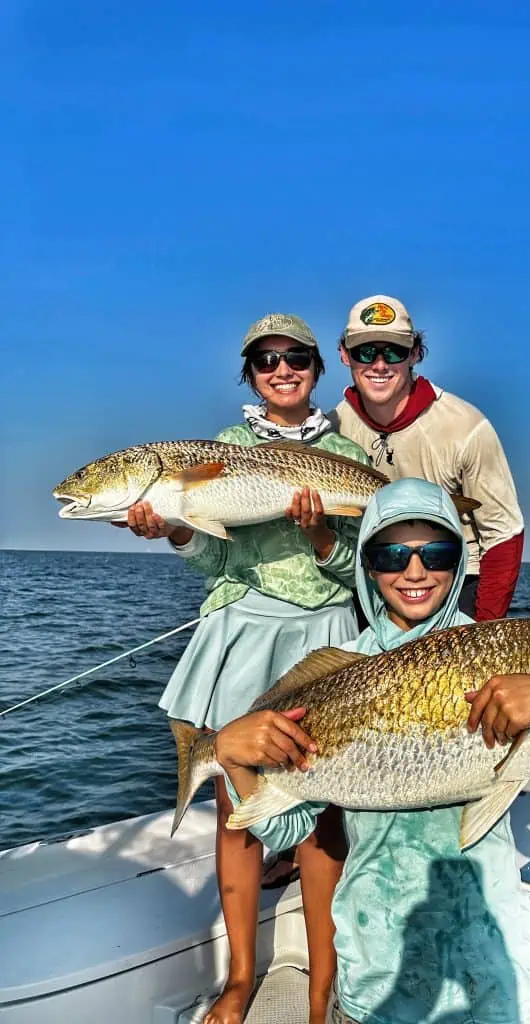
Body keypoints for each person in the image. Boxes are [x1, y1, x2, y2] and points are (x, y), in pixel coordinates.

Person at [215, 478, 530, 1024]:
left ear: (459, 561)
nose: (415, 572)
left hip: (491, 982)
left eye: (436, 553)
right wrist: (231, 758)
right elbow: (287, 832)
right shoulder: (345, 665)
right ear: (367, 564)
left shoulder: (513, 663)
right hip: (374, 976)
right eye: (392, 554)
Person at [112, 312, 370, 1024]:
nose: (281, 370)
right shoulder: (224, 447)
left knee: (323, 813)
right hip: (242, 632)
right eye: (265, 360)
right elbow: (217, 559)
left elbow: (356, 573)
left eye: (295, 358)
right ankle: (238, 979)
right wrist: (172, 529)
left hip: (322, 633)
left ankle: (324, 987)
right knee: (236, 813)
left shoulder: (348, 454)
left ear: (318, 370)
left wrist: (321, 532)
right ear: (250, 374)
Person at [329, 294, 525, 621]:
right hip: (371, 584)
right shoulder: (331, 430)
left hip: (455, 584)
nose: (379, 364)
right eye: (365, 351)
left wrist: (482, 628)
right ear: (344, 356)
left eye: (394, 351)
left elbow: (505, 534)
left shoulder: (467, 426)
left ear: (416, 354)